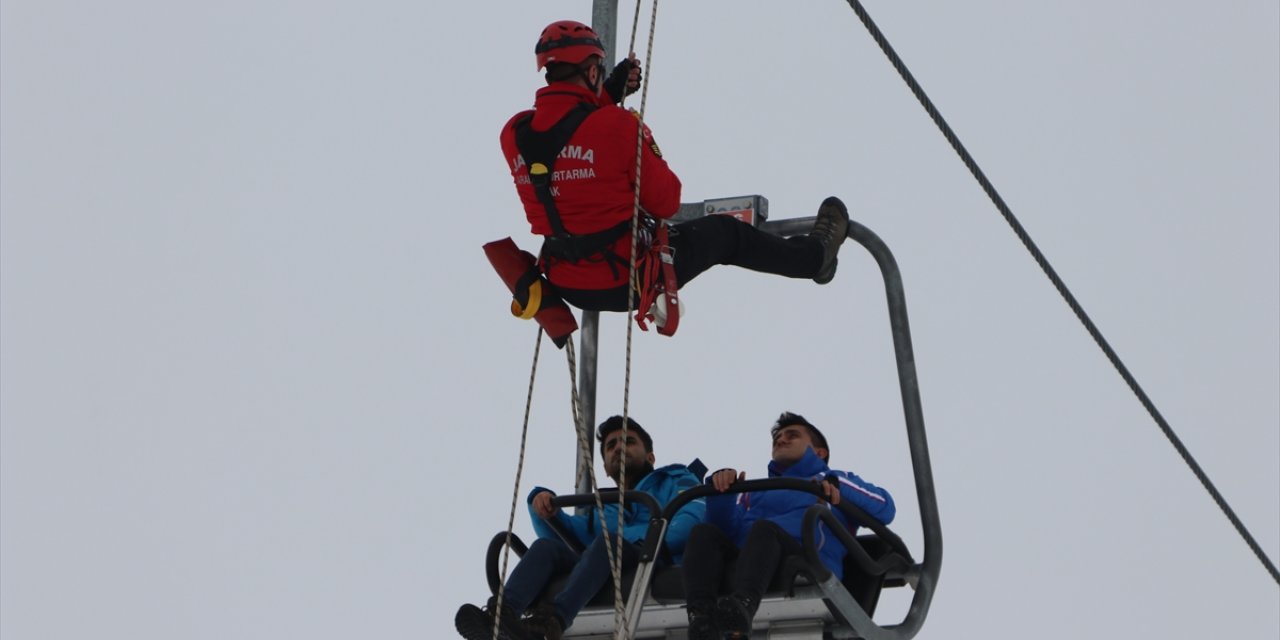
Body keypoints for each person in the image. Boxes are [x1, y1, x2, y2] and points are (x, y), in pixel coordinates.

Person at [500, 20, 853, 315]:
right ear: (592, 71)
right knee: (726, 235)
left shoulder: (514, 134)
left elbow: (563, 142)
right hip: (626, 281)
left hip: (565, 283)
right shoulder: (619, 127)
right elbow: (667, 202)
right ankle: (815, 258)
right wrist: (630, 127)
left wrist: (607, 94)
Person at [455, 416, 706, 640]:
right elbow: (568, 535)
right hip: (603, 559)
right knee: (546, 548)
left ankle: (553, 621)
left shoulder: (675, 479)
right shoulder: (604, 506)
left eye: (628, 441)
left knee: (607, 544)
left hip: (654, 558)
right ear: (606, 468)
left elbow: (688, 522)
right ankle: (502, 617)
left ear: (650, 456)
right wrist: (540, 503)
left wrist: (630, 539)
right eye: (611, 446)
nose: (619, 447)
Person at [680, 412, 896, 640]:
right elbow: (727, 532)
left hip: (804, 555)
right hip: (753, 556)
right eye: (777, 438)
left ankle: (742, 605)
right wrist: (722, 492)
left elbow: (886, 508)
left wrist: (838, 486)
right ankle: (701, 617)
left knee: (765, 529)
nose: (781, 440)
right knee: (704, 534)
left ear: (819, 452)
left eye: (792, 435)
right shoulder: (756, 491)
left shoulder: (833, 481)